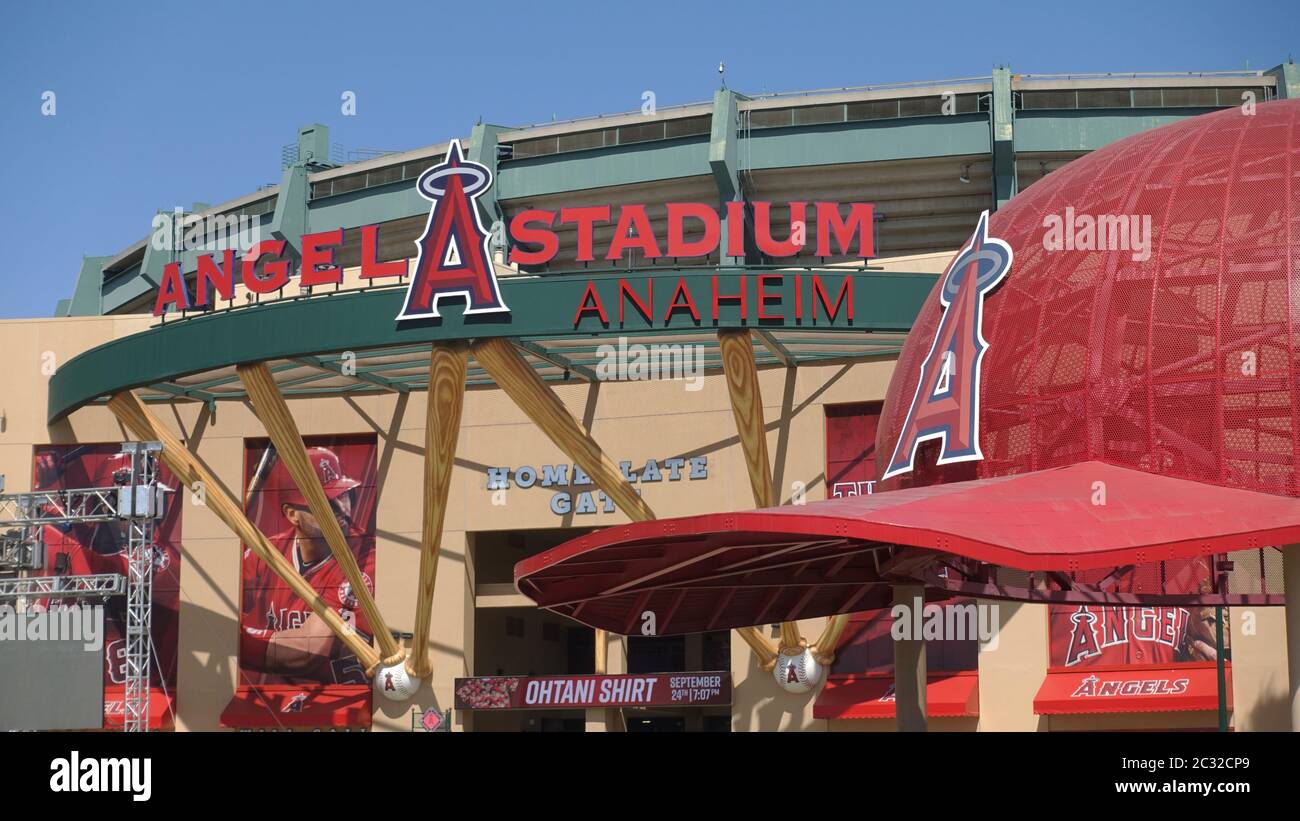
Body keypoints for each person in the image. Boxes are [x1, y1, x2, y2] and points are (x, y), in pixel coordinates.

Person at [239, 446, 374, 685]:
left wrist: (232, 638)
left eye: (343, 494)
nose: (342, 508)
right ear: (292, 514)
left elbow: (308, 649)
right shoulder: (266, 553)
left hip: (347, 703)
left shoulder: (365, 557)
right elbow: (217, 601)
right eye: (326, 502)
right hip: (274, 704)